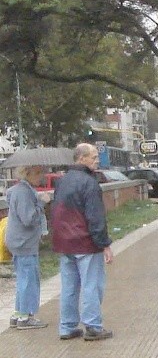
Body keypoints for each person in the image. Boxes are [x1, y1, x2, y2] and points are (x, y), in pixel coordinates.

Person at [51, 143, 114, 341]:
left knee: (69, 287)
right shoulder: (89, 183)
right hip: (85, 242)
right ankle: (93, 326)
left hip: (64, 242)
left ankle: (67, 327)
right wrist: (104, 243)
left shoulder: (62, 181)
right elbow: (95, 217)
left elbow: (57, 211)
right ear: (81, 159)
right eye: (94, 157)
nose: (97, 160)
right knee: (91, 285)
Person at [5, 165, 50, 330]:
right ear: (27, 174)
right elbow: (28, 219)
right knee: (29, 278)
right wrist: (41, 202)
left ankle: (18, 314)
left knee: (23, 277)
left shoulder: (20, 190)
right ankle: (26, 316)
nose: (41, 176)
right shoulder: (24, 192)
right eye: (38, 173)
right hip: (24, 242)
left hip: (19, 241)